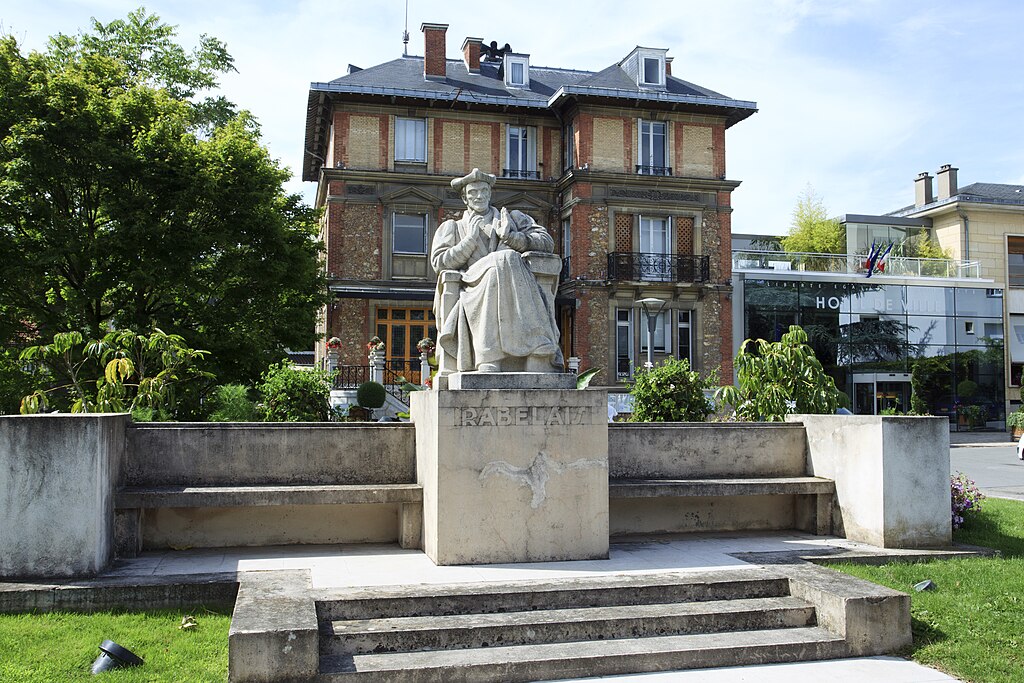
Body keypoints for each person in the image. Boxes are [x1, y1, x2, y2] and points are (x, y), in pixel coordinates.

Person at [431, 168, 563, 373]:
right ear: (465, 199)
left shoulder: (512, 219)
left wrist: (512, 237)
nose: (479, 196)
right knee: (505, 258)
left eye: (484, 191)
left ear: (490, 194)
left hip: (512, 280)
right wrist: (468, 242)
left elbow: (546, 242)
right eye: (473, 192)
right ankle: (538, 349)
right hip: (472, 282)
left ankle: (490, 358)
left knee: (505, 260)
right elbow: (439, 262)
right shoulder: (453, 227)